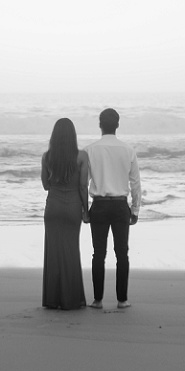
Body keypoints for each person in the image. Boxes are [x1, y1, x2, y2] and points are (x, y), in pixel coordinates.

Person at [83, 107, 142, 310]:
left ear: (100, 124)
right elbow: (135, 184)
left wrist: (84, 210)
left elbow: (83, 183)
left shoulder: (90, 150)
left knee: (98, 253)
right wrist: (135, 210)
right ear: (117, 125)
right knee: (122, 253)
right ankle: (122, 299)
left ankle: (97, 300)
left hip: (98, 205)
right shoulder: (128, 150)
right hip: (119, 205)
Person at [40, 117, 89, 310]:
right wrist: (86, 211)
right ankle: (71, 300)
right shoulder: (82, 156)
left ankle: (52, 300)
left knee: (52, 254)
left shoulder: (46, 157)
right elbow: (83, 187)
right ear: (73, 136)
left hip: (53, 207)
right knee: (70, 252)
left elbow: (45, 185)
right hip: (72, 208)